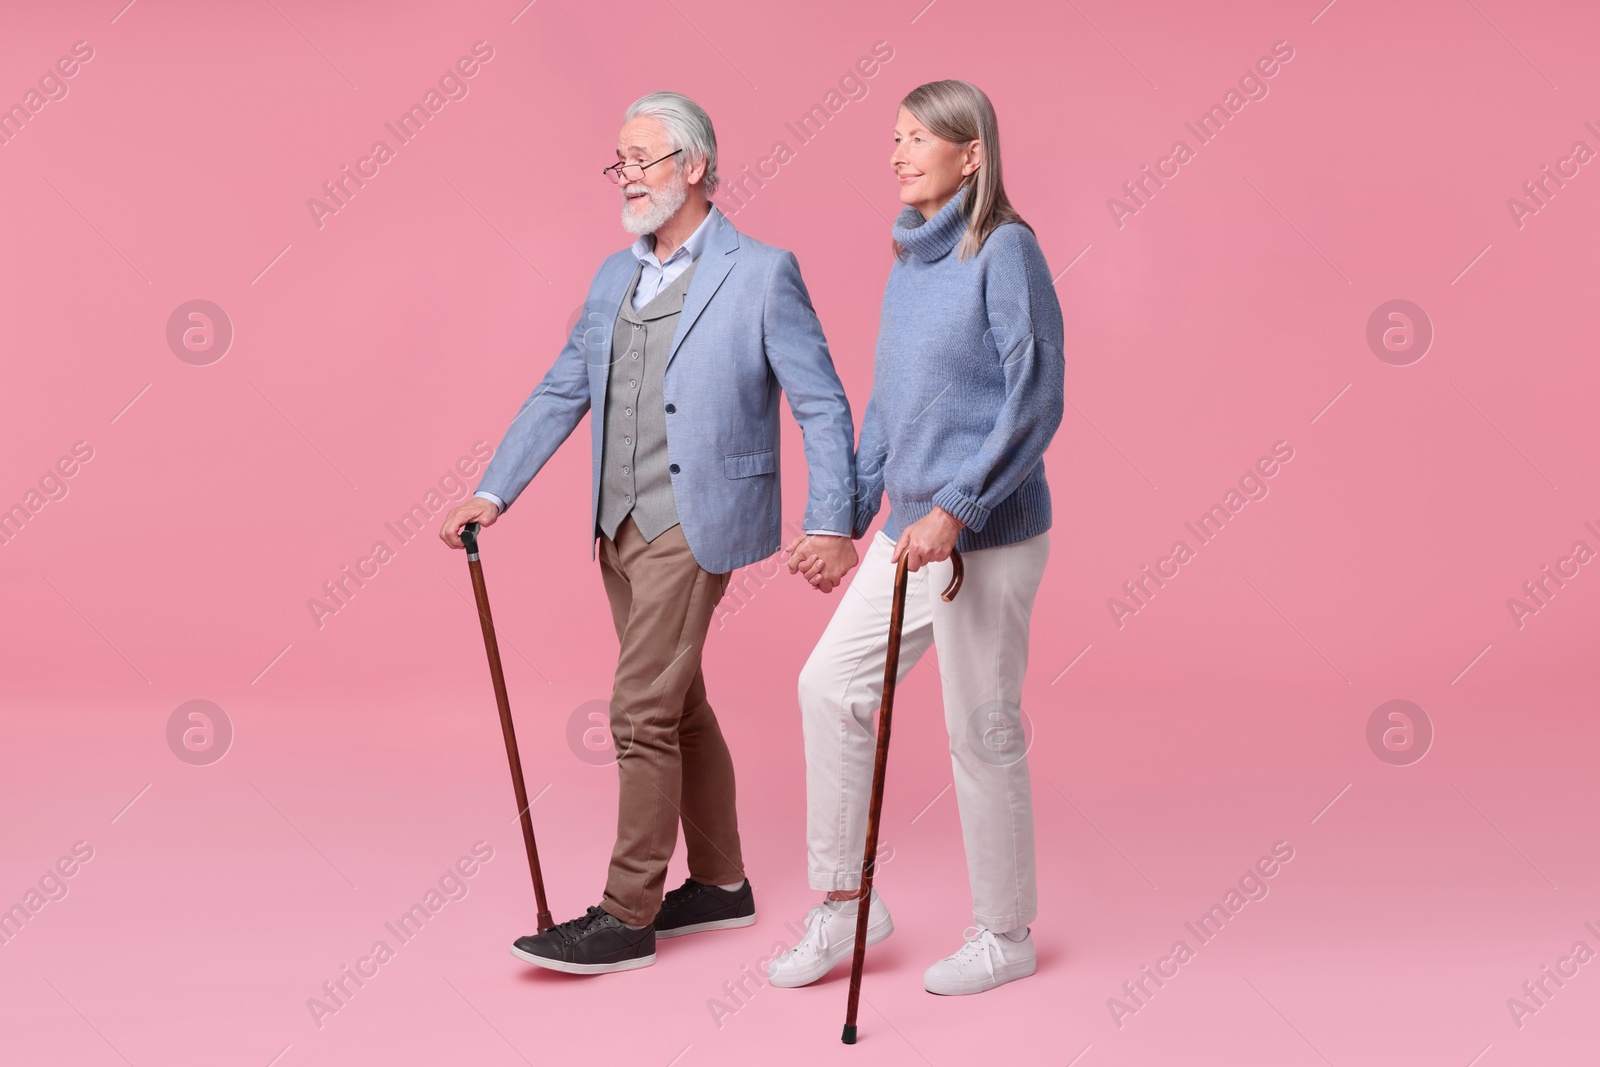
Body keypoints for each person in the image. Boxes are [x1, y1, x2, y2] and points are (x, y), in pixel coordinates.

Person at [440, 91, 859, 975]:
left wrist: (834, 520)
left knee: (636, 713)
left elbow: (822, 402)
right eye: (619, 161)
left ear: (695, 166)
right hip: (616, 524)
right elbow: (564, 386)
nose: (625, 176)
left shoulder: (763, 272)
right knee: (679, 704)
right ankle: (721, 883)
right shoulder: (610, 275)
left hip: (698, 519)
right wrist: (494, 489)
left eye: (642, 159)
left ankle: (627, 914)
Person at [776, 79, 1064, 996]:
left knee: (980, 732)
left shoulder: (1005, 250)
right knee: (828, 687)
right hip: (909, 537)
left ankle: (1005, 934)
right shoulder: (910, 265)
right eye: (893, 138)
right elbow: (890, 413)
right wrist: (844, 521)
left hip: (984, 537)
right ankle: (845, 901)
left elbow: (1037, 396)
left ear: (969, 153)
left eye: (917, 139)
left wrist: (961, 507)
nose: (897, 153)